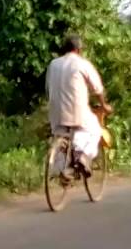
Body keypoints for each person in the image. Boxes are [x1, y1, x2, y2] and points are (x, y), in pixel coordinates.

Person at [46, 35, 111, 177]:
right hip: (77, 113)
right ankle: (83, 156)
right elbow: (97, 89)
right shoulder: (82, 64)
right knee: (94, 129)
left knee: (61, 137)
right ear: (78, 50)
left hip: (55, 113)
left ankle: (62, 169)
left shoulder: (53, 64)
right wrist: (103, 105)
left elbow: (47, 88)